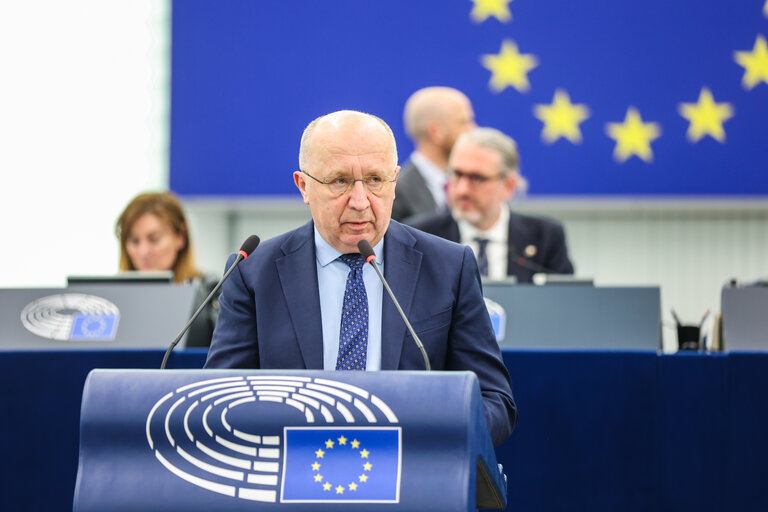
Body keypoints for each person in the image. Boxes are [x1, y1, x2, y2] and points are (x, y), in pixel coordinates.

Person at [204, 110, 516, 446]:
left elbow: (494, 400)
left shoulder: (449, 266)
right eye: (339, 181)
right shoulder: (253, 272)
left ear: (394, 181)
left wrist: (433, 439)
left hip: (412, 478)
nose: (360, 201)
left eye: (375, 180)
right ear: (304, 186)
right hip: (287, 477)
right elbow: (220, 399)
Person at [408, 127, 574, 283]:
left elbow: (563, 304)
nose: (462, 189)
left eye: (477, 178)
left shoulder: (545, 237)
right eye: (457, 174)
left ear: (508, 185)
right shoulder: (420, 236)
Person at [115, 192, 219, 347]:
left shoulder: (210, 293)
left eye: (154, 239)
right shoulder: (113, 302)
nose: (143, 252)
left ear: (181, 237)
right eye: (134, 241)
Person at [391, 86, 476, 222]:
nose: (473, 129)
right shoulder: (395, 194)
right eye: (463, 122)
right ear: (436, 132)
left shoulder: (467, 186)